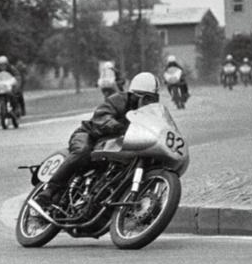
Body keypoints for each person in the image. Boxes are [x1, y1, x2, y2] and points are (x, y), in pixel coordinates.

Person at [32, 71, 161, 210]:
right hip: (90, 135)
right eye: (147, 98)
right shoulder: (118, 100)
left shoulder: (148, 113)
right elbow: (102, 117)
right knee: (82, 152)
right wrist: (117, 126)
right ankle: (49, 191)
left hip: (116, 146)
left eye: (153, 100)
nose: (149, 103)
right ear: (136, 95)